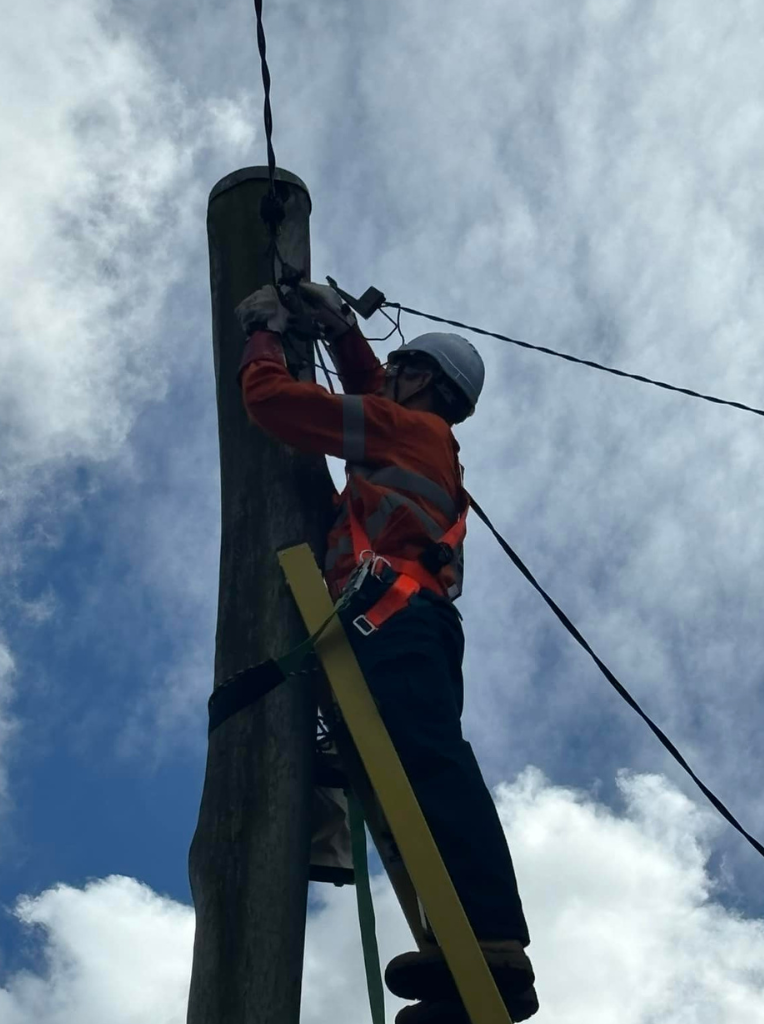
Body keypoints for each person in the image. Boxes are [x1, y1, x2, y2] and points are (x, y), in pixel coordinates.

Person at [235, 281, 538, 1023]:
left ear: (426, 381)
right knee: (411, 763)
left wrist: (263, 333)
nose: (390, 373)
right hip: (403, 619)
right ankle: (459, 962)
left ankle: (493, 942)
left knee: (425, 761)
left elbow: (272, 404)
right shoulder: (422, 435)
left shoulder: (404, 432)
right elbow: (376, 389)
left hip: (392, 617)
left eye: (405, 366)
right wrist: (341, 332)